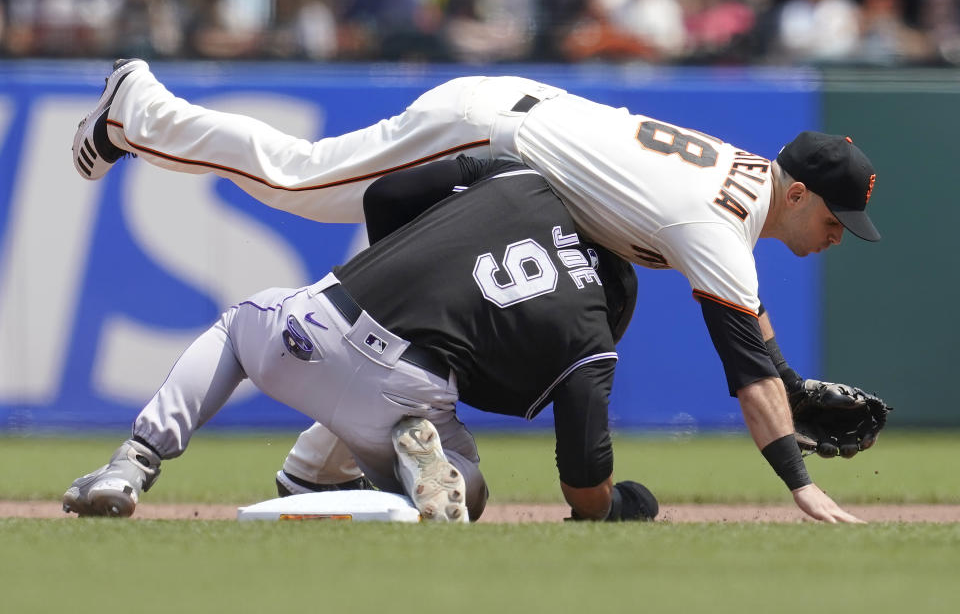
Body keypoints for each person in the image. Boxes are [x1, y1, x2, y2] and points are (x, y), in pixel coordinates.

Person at [73, 59, 883, 523]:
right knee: (303, 181)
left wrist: (790, 380)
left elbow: (747, 318)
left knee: (411, 295)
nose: (841, 234)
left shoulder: (746, 185)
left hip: (516, 118)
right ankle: (138, 109)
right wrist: (800, 485)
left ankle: (319, 466)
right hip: (489, 131)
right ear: (800, 193)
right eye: (838, 218)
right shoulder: (718, 224)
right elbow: (742, 365)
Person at [63, 156, 657, 523]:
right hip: (410, 390)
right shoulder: (589, 329)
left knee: (240, 327)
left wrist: (400, 266)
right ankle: (425, 465)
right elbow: (583, 482)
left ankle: (133, 464)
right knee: (465, 481)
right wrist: (616, 506)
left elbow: (386, 195)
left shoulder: (523, 181)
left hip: (325, 322)